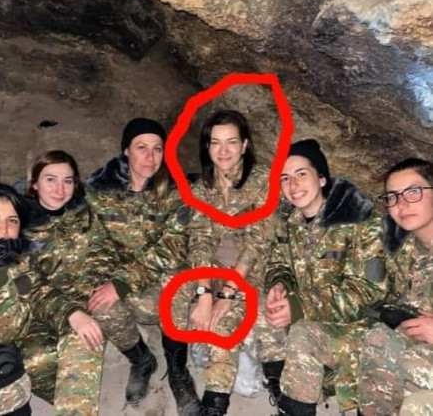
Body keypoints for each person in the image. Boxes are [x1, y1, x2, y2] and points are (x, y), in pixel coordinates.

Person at [264, 139, 387, 415]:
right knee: (258, 308)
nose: (293, 185)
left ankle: (302, 399)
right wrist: (279, 284)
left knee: (302, 333)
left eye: (301, 174)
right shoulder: (291, 223)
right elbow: (279, 263)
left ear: (321, 179)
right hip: (312, 316)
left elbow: (368, 292)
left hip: (358, 327)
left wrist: (300, 305)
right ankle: (284, 384)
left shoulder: (361, 223)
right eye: (285, 178)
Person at [20, 149, 147, 415]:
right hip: (44, 308)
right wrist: (70, 312)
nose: (60, 189)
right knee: (35, 362)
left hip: (87, 295)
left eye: (67, 181)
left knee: (88, 335)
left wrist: (108, 283)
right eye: (50, 180)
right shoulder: (17, 225)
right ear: (34, 184)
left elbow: (113, 248)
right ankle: (66, 395)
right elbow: (26, 283)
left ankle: (140, 359)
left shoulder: (86, 210)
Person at [86, 118, 199, 414]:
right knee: (99, 302)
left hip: (162, 281)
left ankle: (178, 371)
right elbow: (96, 245)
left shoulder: (176, 190)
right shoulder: (101, 191)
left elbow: (173, 247)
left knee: (179, 281)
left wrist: (123, 282)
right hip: (126, 283)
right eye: (141, 147)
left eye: (157, 148)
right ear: (126, 150)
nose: (150, 157)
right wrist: (105, 281)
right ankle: (141, 360)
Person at [172, 109, 278, 415]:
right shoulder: (201, 188)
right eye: (215, 142)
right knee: (172, 296)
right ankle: (177, 370)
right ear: (207, 147)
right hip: (212, 268)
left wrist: (227, 294)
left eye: (231, 142)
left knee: (223, 325)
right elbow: (200, 240)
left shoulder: (262, 181)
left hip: (248, 272)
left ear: (244, 145)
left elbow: (258, 241)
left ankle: (214, 404)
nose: (223, 151)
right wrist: (204, 293)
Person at [358, 157, 433, 415]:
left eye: (413, 192)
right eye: (392, 196)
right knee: (377, 339)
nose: (401, 204)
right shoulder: (407, 252)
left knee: (413, 367)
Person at [0, 183, 32, 416]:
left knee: (3, 361)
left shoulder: (17, 265)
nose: (3, 230)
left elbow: (6, 331)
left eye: (12, 220)